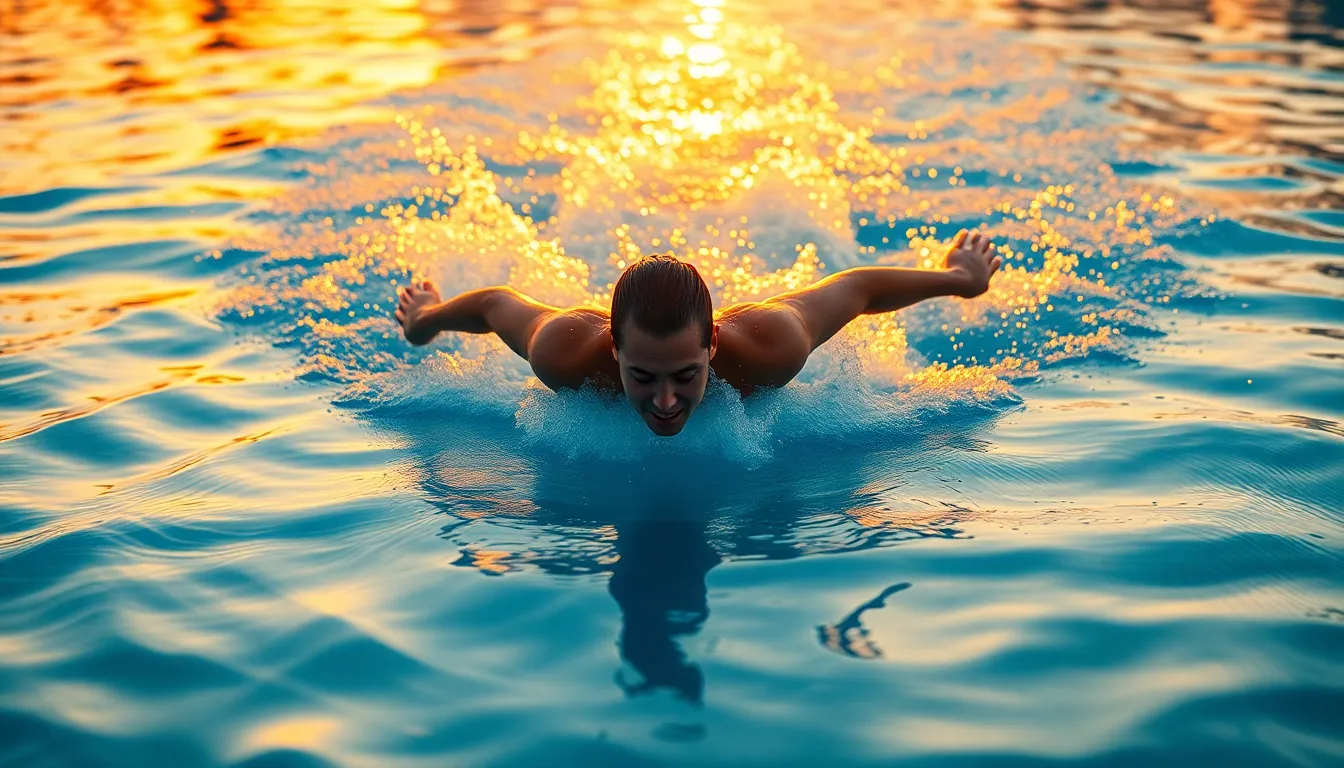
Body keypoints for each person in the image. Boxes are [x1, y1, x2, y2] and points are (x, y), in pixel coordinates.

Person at [395, 229, 1001, 436]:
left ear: (712, 347)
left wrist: (957, 279)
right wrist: (427, 321)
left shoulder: (770, 347)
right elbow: (498, 303)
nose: (664, 401)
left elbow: (857, 289)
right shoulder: (564, 353)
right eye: (642, 376)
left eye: (687, 374)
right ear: (614, 349)